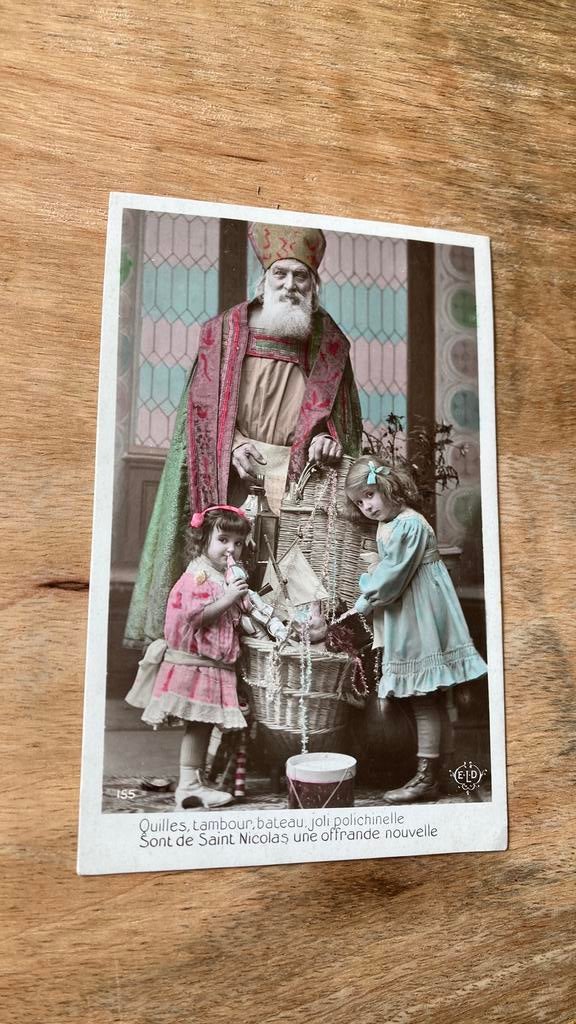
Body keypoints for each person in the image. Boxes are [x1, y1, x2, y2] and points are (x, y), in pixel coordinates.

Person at [125, 222, 363, 648]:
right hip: (235, 470)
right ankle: (219, 664)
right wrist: (233, 444)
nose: (290, 285)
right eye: (280, 274)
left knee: (287, 580)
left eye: (300, 276)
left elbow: (339, 418)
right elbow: (202, 407)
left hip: (298, 479)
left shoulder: (329, 343)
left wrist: (327, 438)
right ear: (264, 280)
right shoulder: (226, 331)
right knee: (227, 568)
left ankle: (277, 668)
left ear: (313, 285)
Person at [345, 455, 488, 804]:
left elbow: (393, 577)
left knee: (424, 697)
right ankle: (443, 771)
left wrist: (363, 602)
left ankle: (427, 777)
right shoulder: (391, 524)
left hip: (420, 613)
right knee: (432, 697)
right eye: (360, 502)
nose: (367, 506)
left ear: (388, 486)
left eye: (370, 495)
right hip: (413, 610)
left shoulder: (409, 524)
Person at [126, 506, 252, 809]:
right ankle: (189, 786)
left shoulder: (219, 575)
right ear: (203, 539)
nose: (231, 549)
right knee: (198, 724)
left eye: (237, 543)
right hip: (197, 664)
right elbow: (196, 617)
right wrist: (230, 598)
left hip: (211, 665)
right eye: (223, 540)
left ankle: (194, 779)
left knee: (203, 725)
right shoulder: (199, 575)